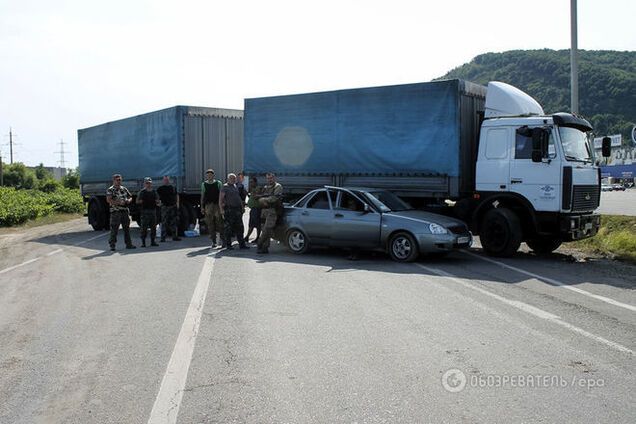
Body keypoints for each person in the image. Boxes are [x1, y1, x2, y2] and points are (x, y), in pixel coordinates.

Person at [106, 174, 136, 251]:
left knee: (126, 229)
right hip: (116, 212)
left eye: (120, 180)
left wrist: (128, 200)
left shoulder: (124, 189)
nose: (119, 181)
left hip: (125, 211)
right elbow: (109, 200)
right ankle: (112, 245)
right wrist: (118, 203)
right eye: (117, 180)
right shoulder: (111, 189)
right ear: (114, 181)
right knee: (114, 229)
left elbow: (130, 196)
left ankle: (129, 244)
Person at [219, 173, 249, 250]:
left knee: (240, 227)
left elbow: (238, 198)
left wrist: (242, 207)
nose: (233, 180)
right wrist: (221, 210)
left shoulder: (235, 186)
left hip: (237, 210)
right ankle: (228, 245)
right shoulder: (225, 187)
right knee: (228, 228)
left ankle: (242, 244)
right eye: (231, 178)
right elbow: (221, 199)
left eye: (234, 178)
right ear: (228, 179)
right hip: (229, 210)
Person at [256, 173, 283, 254]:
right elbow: (259, 198)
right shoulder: (265, 187)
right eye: (268, 178)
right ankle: (264, 248)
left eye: (271, 178)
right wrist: (262, 199)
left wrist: (263, 199)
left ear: (274, 178)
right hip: (264, 210)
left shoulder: (278, 186)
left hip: (272, 210)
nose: (269, 180)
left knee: (267, 229)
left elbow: (274, 198)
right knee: (263, 228)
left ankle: (259, 244)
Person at [200, 169, 224, 247]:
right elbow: (202, 196)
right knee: (210, 224)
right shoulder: (204, 184)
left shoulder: (218, 183)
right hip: (208, 206)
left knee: (220, 223)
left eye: (211, 174)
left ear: (213, 175)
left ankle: (223, 241)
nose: (209, 176)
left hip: (217, 205)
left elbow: (221, 195)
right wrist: (202, 207)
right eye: (208, 175)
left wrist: (222, 205)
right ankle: (213, 241)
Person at [136, 177, 160, 247]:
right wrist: (143, 200)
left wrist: (157, 202)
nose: (148, 184)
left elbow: (158, 200)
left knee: (153, 227)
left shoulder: (154, 192)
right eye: (147, 183)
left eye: (149, 183)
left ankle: (153, 242)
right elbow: (137, 201)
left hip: (153, 211)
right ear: (144, 184)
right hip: (145, 212)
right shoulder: (142, 192)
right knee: (144, 228)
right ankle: (143, 243)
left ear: (151, 183)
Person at [157, 176, 181, 242]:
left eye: (167, 180)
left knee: (174, 222)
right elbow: (157, 197)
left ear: (169, 180)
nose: (166, 181)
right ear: (163, 181)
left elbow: (177, 195)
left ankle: (175, 237)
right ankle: (163, 238)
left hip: (173, 206)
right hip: (165, 207)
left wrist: (177, 204)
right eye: (165, 180)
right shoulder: (160, 188)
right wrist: (158, 203)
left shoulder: (172, 188)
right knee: (164, 222)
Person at [245, 176, 262, 243]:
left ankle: (257, 238)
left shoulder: (257, 188)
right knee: (251, 224)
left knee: (257, 224)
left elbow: (256, 197)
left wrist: (251, 190)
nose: (250, 183)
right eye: (250, 182)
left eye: (252, 182)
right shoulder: (253, 189)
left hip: (257, 209)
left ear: (255, 182)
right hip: (253, 209)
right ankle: (247, 237)